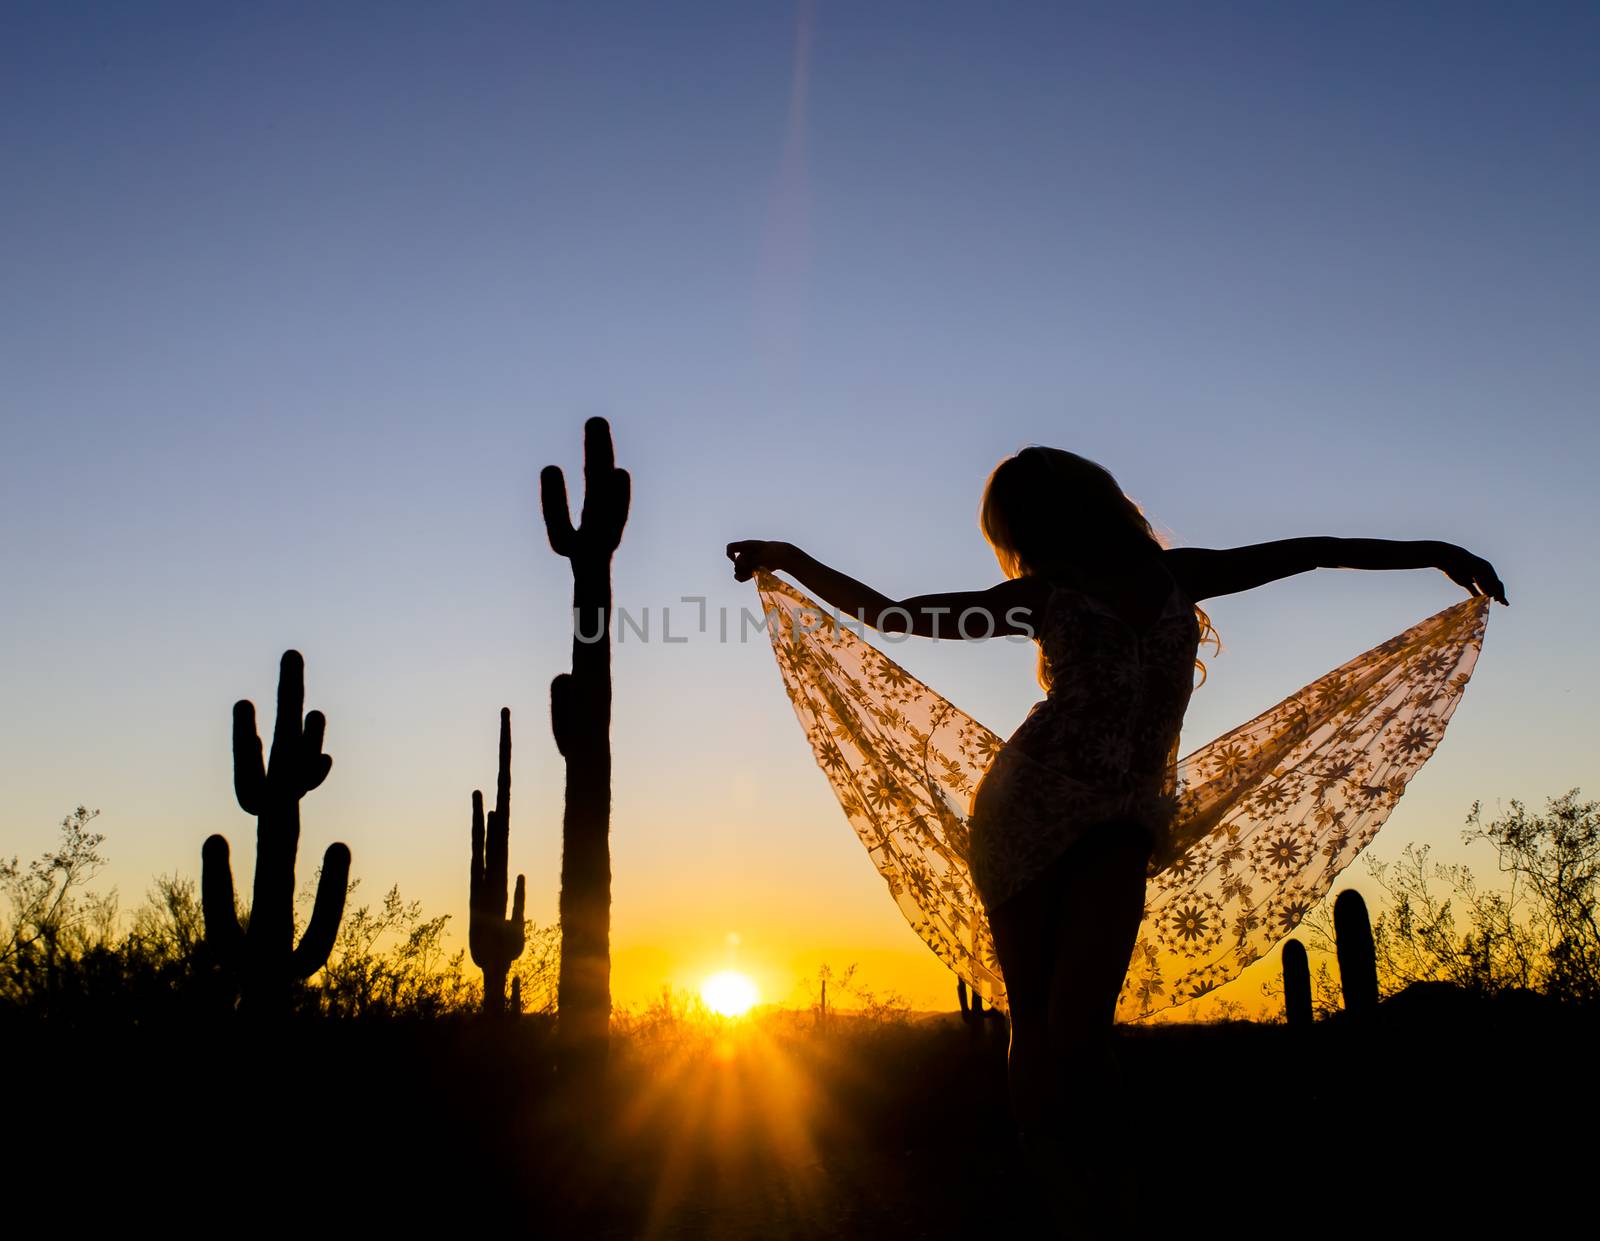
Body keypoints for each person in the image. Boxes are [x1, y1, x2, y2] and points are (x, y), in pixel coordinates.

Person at [727, 445, 1506, 1232]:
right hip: (1025, 807)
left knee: (1075, 1021)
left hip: (1122, 817)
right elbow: (896, 615)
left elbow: (1314, 553)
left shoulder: (1178, 576)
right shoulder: (1041, 597)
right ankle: (1067, 1195)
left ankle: (1105, 1193)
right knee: (1037, 1018)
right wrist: (788, 559)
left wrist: (1436, 553)